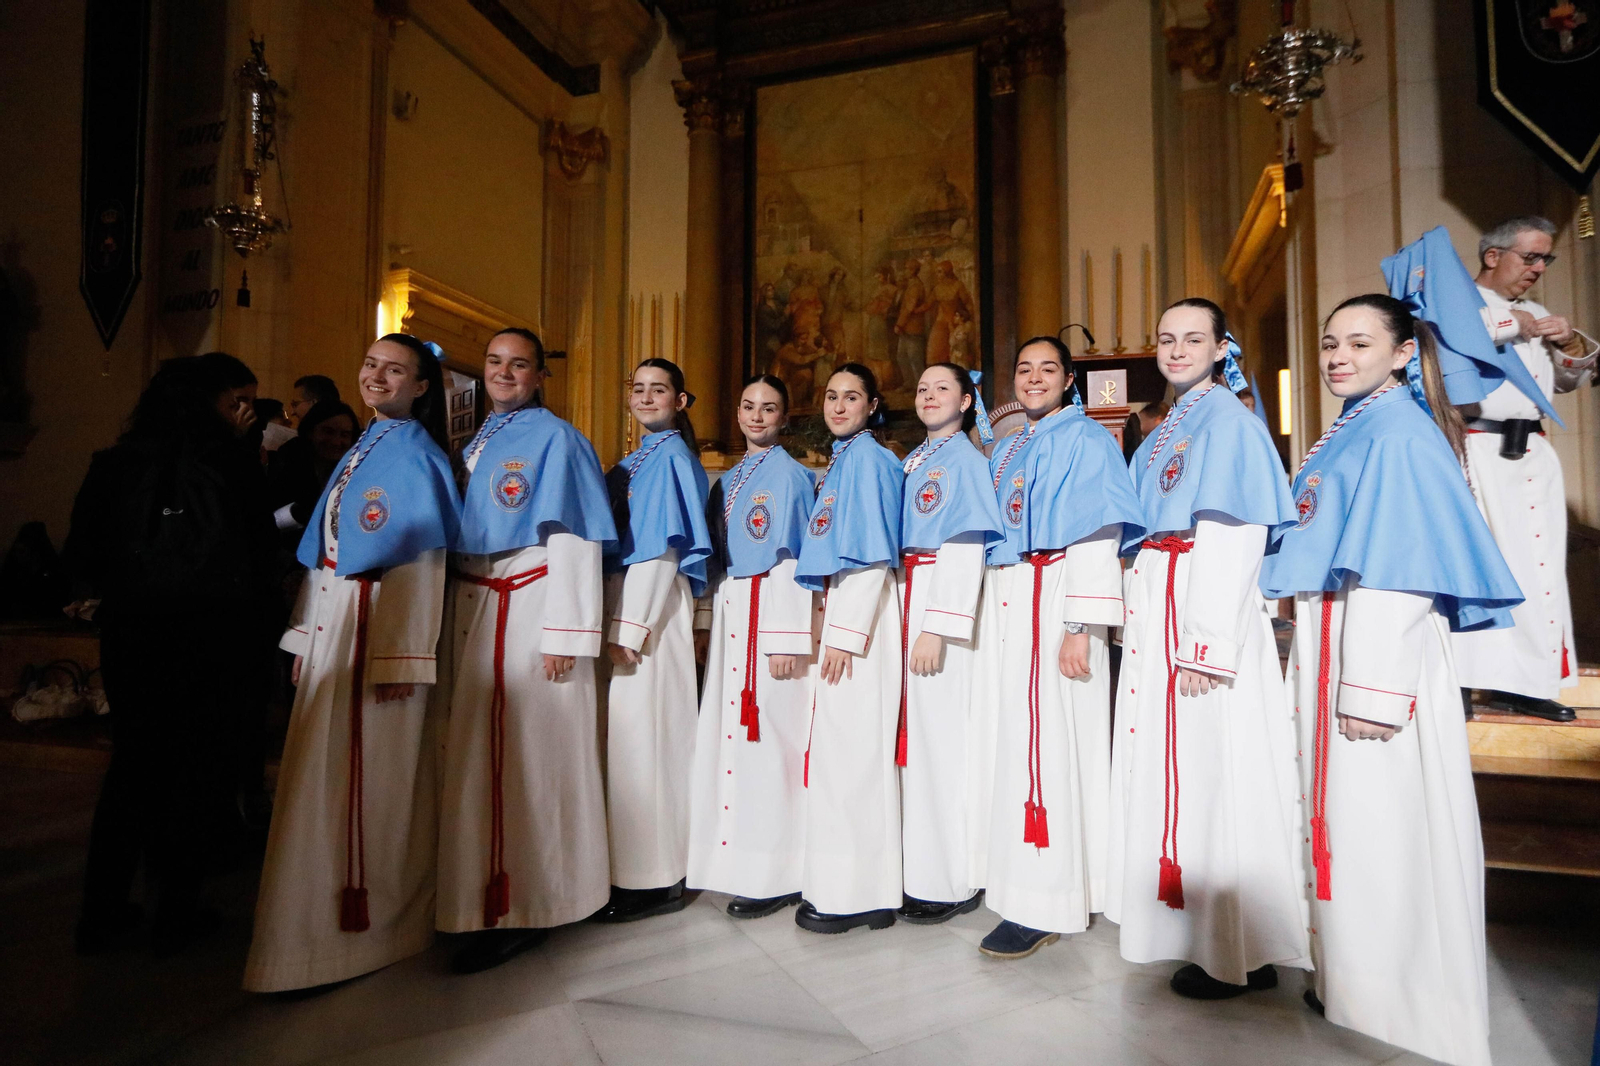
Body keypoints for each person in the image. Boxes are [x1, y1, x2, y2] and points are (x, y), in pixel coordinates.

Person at [1260, 294, 1522, 1066]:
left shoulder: (1399, 434)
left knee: (1384, 829)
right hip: (1334, 637)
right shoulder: (1358, 424)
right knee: (1349, 823)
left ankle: (1399, 1000)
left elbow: (1399, 573)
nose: (1338, 355)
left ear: (1404, 352)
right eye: (1330, 342)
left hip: (1375, 657)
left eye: (1359, 342)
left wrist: (1371, 692)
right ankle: (1349, 978)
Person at [1106, 298, 1309, 1000]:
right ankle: (1198, 931)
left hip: (1200, 610)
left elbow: (1234, 532)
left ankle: (1240, 952)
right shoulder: (1172, 426)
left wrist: (1207, 644)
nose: (1178, 349)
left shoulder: (1227, 421)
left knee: (1218, 772)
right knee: (1181, 773)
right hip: (1164, 598)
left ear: (1224, 347)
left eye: (1194, 338)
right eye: (1166, 339)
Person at [245, 333, 460, 992]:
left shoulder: (417, 458)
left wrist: (402, 656)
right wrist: (306, 638)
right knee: (317, 779)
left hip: (378, 636)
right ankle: (304, 927)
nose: (377, 377)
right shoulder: (364, 445)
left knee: (368, 785)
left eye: (395, 370)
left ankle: (364, 928)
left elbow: (422, 562)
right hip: (336, 625)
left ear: (421, 387)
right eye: (370, 364)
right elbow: (325, 553)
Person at [66, 357, 278, 956]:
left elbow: (81, 550)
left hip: (135, 633)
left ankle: (101, 911)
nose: (243, 411)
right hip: (213, 633)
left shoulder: (113, 464)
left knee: (133, 767)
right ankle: (177, 908)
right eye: (234, 399)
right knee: (197, 769)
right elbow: (260, 552)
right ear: (208, 402)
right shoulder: (230, 463)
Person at [438, 328, 617, 973]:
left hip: (533, 606)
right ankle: (475, 898)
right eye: (494, 362)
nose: (504, 373)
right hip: (482, 605)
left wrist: (566, 633)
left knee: (530, 762)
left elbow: (573, 537)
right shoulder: (473, 440)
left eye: (519, 365)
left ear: (542, 376)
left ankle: (532, 903)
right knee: (479, 765)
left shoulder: (557, 439)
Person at [976, 337, 1144, 960]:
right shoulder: (1018, 444)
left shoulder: (1086, 440)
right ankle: (1034, 879)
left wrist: (1082, 624)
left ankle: (1048, 898)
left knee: (1051, 747)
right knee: (1022, 743)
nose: (1035, 378)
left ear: (1070, 379)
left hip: (1059, 599)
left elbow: (1100, 531)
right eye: (1023, 369)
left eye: (1049, 368)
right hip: (1019, 593)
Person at [1453, 216, 1597, 721]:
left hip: (1531, 453)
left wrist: (1571, 344)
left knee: (1538, 571)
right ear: (1494, 256)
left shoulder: (1533, 310)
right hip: (1476, 450)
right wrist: (1521, 326)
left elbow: (1565, 383)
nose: (1538, 268)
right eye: (1530, 257)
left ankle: (1525, 681)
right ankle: (1463, 681)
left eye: (1545, 259)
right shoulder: (1458, 303)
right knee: (1478, 567)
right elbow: (1452, 339)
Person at [687, 375, 817, 919]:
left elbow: (793, 557)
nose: (756, 416)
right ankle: (741, 861)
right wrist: (704, 621)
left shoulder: (791, 476)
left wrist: (787, 637)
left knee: (773, 743)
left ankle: (781, 869)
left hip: (772, 615)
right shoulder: (730, 479)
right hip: (735, 609)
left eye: (769, 409)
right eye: (747, 406)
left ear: (785, 418)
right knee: (735, 743)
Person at [596, 358, 713, 922]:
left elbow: (663, 547)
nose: (645, 397)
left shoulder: (669, 457)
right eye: (637, 387)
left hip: (652, 610)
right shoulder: (639, 458)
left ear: (681, 401)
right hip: (628, 602)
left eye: (658, 389)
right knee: (629, 741)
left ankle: (658, 876)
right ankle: (634, 868)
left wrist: (633, 625)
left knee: (650, 742)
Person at [792, 364, 905, 933]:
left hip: (860, 623)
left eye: (851, 397)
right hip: (843, 615)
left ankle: (861, 894)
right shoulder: (845, 461)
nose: (838, 406)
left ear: (872, 404)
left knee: (855, 754)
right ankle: (845, 885)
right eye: (832, 396)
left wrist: (844, 634)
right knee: (839, 754)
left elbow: (872, 556)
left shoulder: (869, 461)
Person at [898, 364, 1004, 924]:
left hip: (937, 601)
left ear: (966, 401)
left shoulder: (962, 461)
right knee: (918, 746)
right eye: (921, 388)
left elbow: (964, 544)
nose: (929, 396)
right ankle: (921, 868)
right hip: (909, 594)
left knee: (943, 744)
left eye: (942, 388)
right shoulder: (916, 460)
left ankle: (951, 878)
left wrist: (938, 625)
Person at [267, 400, 359, 537]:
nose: (336, 441)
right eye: (328, 432)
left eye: (344, 435)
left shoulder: (354, 468)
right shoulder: (289, 460)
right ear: (310, 431)